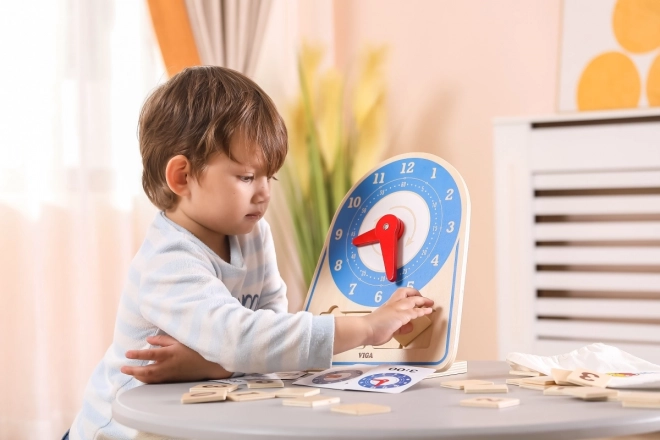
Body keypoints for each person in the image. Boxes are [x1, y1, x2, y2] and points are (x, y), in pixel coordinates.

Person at [66, 66, 433, 440]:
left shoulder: (254, 235)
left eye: (268, 177)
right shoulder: (167, 260)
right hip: (119, 430)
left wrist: (211, 366)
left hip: (188, 418)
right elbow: (241, 340)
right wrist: (367, 328)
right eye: (246, 177)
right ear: (182, 177)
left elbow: (268, 333)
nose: (264, 193)